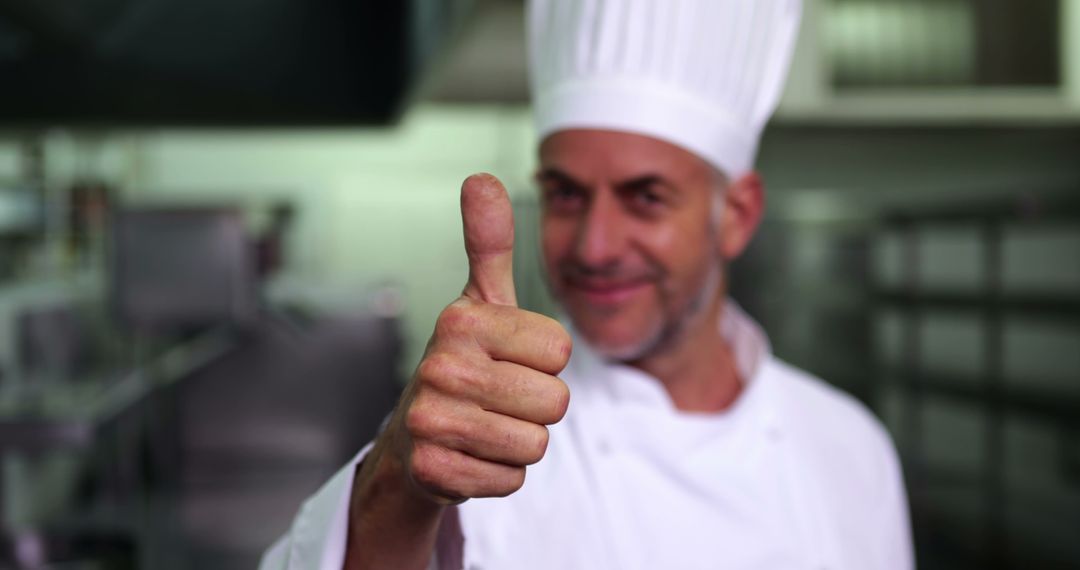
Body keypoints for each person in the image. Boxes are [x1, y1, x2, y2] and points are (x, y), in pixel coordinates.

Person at [261, 0, 914, 568]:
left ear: (736, 215)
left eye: (645, 198)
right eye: (566, 195)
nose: (594, 246)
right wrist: (397, 481)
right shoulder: (478, 438)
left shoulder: (849, 447)